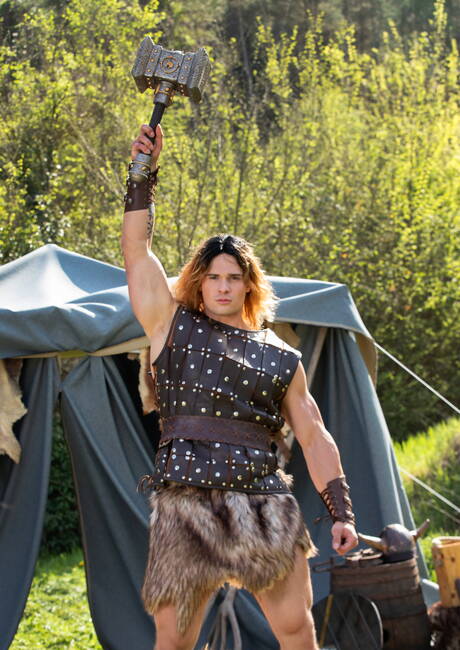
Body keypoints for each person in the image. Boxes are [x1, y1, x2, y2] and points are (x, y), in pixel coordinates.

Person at [122, 124, 358, 650]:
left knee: (296, 629)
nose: (223, 286)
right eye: (213, 277)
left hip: (262, 501)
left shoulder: (281, 355)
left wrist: (341, 512)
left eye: (233, 277)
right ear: (199, 281)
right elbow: (136, 251)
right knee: (173, 640)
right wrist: (143, 173)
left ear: (249, 283)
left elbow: (314, 435)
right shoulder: (169, 325)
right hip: (186, 502)